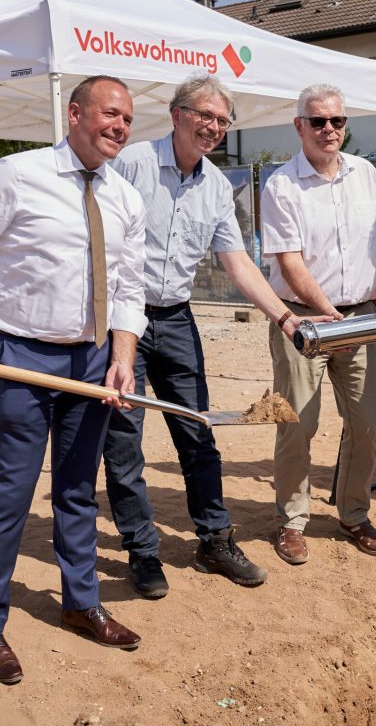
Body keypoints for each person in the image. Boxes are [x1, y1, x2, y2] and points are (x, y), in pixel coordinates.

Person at [0, 75, 148, 684]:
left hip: (93, 359)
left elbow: (129, 285)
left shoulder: (125, 197)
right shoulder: (18, 174)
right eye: (110, 114)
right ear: (75, 114)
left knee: (77, 489)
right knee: (12, 490)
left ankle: (82, 603)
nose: (120, 126)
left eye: (127, 118)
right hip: (22, 357)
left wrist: (123, 355)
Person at [104, 73, 313, 597]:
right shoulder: (131, 164)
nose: (215, 127)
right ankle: (142, 551)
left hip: (176, 319)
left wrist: (284, 317)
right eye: (206, 116)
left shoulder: (217, 186)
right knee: (124, 440)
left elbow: (237, 262)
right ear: (177, 115)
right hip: (121, 319)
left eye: (223, 120)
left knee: (197, 432)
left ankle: (215, 541)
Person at [260, 84, 376, 565]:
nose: (328, 129)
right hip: (301, 319)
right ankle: (292, 521)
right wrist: (329, 319)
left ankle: (353, 514)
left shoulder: (365, 175)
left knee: (364, 423)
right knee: (298, 422)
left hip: (360, 317)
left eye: (337, 121)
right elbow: (290, 262)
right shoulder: (281, 186)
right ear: (299, 126)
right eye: (318, 121)